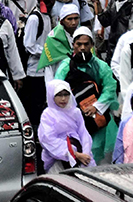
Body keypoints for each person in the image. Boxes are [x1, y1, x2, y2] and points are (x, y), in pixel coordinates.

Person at [54, 27, 119, 163]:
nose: (82, 48)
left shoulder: (101, 66)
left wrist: (96, 106)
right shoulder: (65, 67)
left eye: (86, 44)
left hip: (96, 118)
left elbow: (110, 88)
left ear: (92, 45)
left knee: (95, 150)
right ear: (73, 45)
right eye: (79, 44)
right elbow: (57, 90)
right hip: (72, 118)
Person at [38, 79, 95, 172]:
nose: (63, 99)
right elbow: (47, 139)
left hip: (80, 154)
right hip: (57, 158)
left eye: (66, 94)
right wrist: (73, 154)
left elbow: (83, 133)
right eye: (59, 95)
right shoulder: (48, 114)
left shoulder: (75, 112)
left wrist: (86, 152)